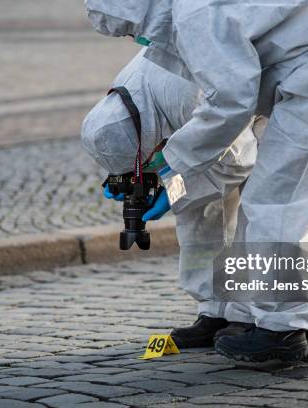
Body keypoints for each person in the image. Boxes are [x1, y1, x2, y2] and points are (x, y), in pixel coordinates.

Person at [84, 0, 308, 362]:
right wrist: (168, 176)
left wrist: (172, 177)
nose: (136, 39)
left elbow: (230, 119)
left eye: (131, 29)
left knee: (274, 207)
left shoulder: (189, 29)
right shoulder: (167, 46)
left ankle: (281, 330)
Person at [81, 50, 259, 345]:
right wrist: (129, 173)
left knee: (251, 214)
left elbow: (237, 161)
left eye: (144, 162)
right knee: (198, 218)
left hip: (253, 122)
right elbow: (142, 144)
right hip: (208, 119)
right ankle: (214, 310)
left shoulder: (183, 96)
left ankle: (248, 315)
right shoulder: (125, 98)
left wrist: (173, 189)